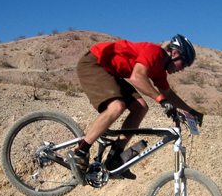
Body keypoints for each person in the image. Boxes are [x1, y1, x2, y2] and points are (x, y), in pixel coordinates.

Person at [67, 34, 203, 182]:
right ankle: (80, 152)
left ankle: (115, 157)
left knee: (141, 107)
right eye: (184, 64)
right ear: (175, 54)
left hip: (110, 72)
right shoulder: (154, 51)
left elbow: (168, 94)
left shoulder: (159, 71)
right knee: (117, 106)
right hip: (95, 63)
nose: (182, 69)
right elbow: (137, 78)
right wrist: (161, 101)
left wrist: (191, 111)